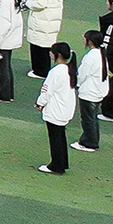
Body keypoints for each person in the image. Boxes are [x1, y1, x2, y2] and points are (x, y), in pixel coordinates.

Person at [35, 41, 77, 174]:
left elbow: (46, 91)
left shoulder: (56, 72)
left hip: (56, 109)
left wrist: (40, 103)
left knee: (55, 138)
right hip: (66, 108)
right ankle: (62, 162)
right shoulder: (69, 69)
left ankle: (56, 165)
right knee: (60, 135)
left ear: (56, 55)